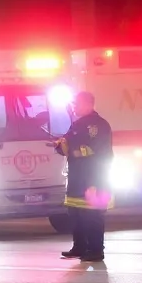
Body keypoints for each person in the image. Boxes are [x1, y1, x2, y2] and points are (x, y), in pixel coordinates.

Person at [54, 90, 113, 262]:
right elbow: (66, 145)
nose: (74, 107)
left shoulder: (99, 125)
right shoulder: (77, 124)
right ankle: (79, 247)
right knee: (76, 214)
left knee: (93, 216)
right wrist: (59, 145)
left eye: (76, 104)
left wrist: (74, 150)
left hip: (94, 176)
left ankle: (95, 250)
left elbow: (95, 152)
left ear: (87, 104)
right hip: (77, 177)